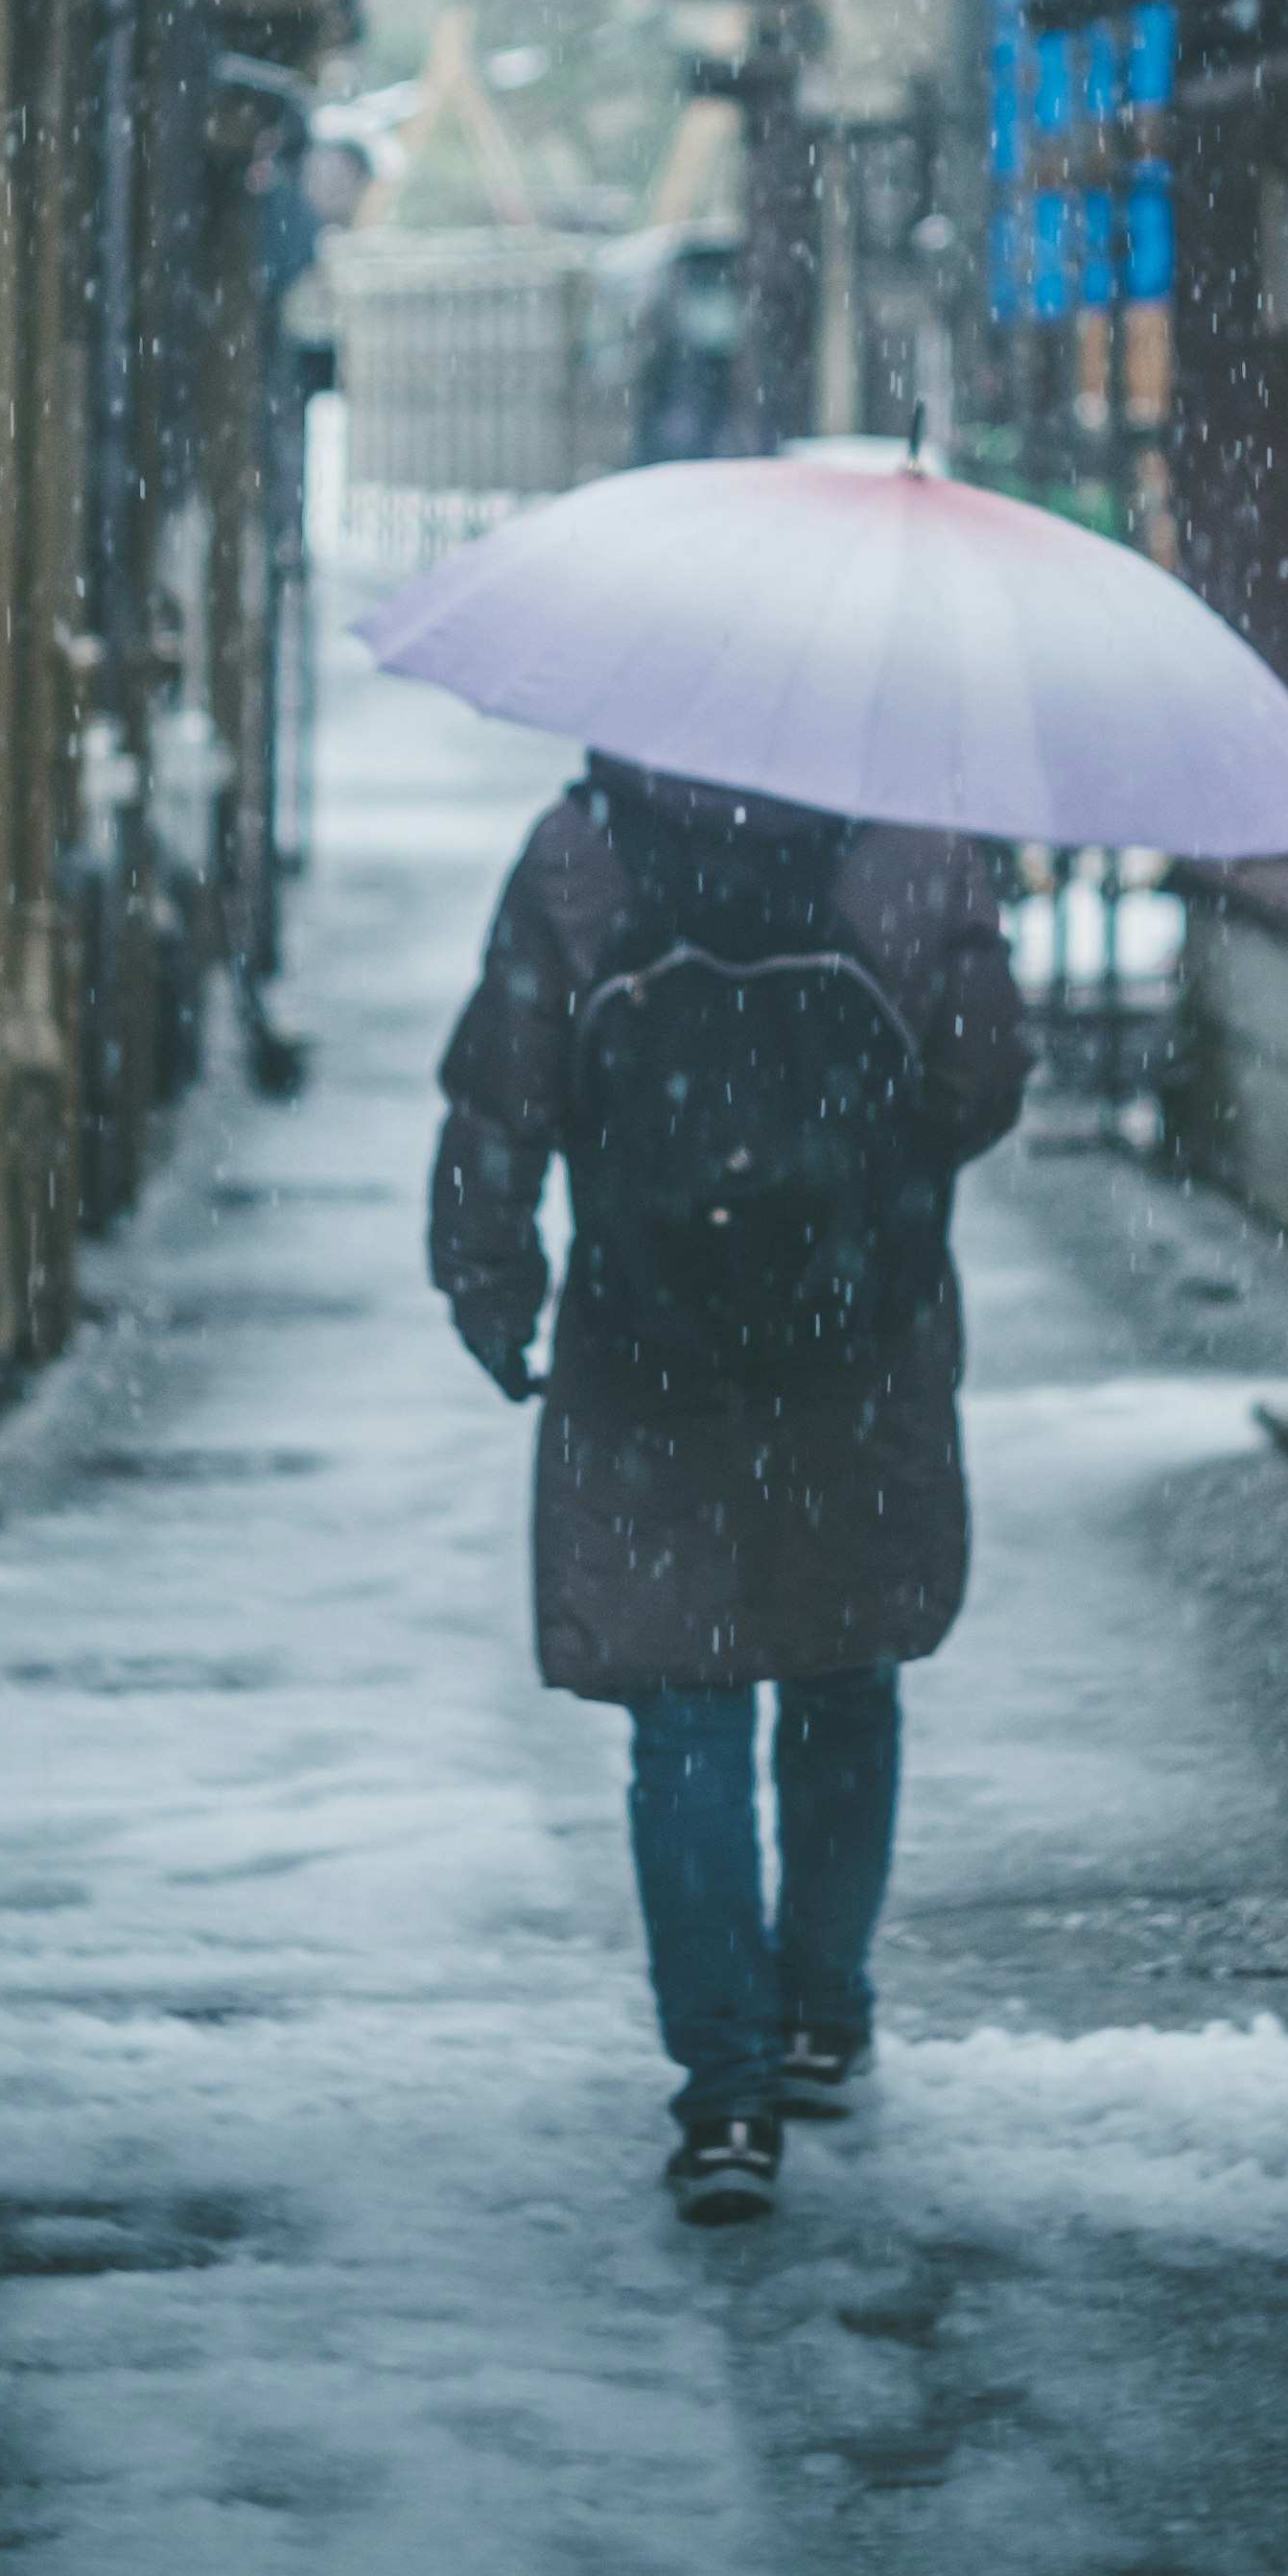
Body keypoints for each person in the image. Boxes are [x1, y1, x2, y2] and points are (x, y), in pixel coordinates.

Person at [430, 749, 1030, 2224]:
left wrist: (492, 1281)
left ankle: (727, 2099)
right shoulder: (914, 845)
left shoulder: (579, 853)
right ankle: (824, 2010)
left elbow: (503, 1101)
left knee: (685, 1706)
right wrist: (842, 1170)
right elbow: (983, 1079)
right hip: (857, 1333)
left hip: (650, 1341)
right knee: (842, 1664)